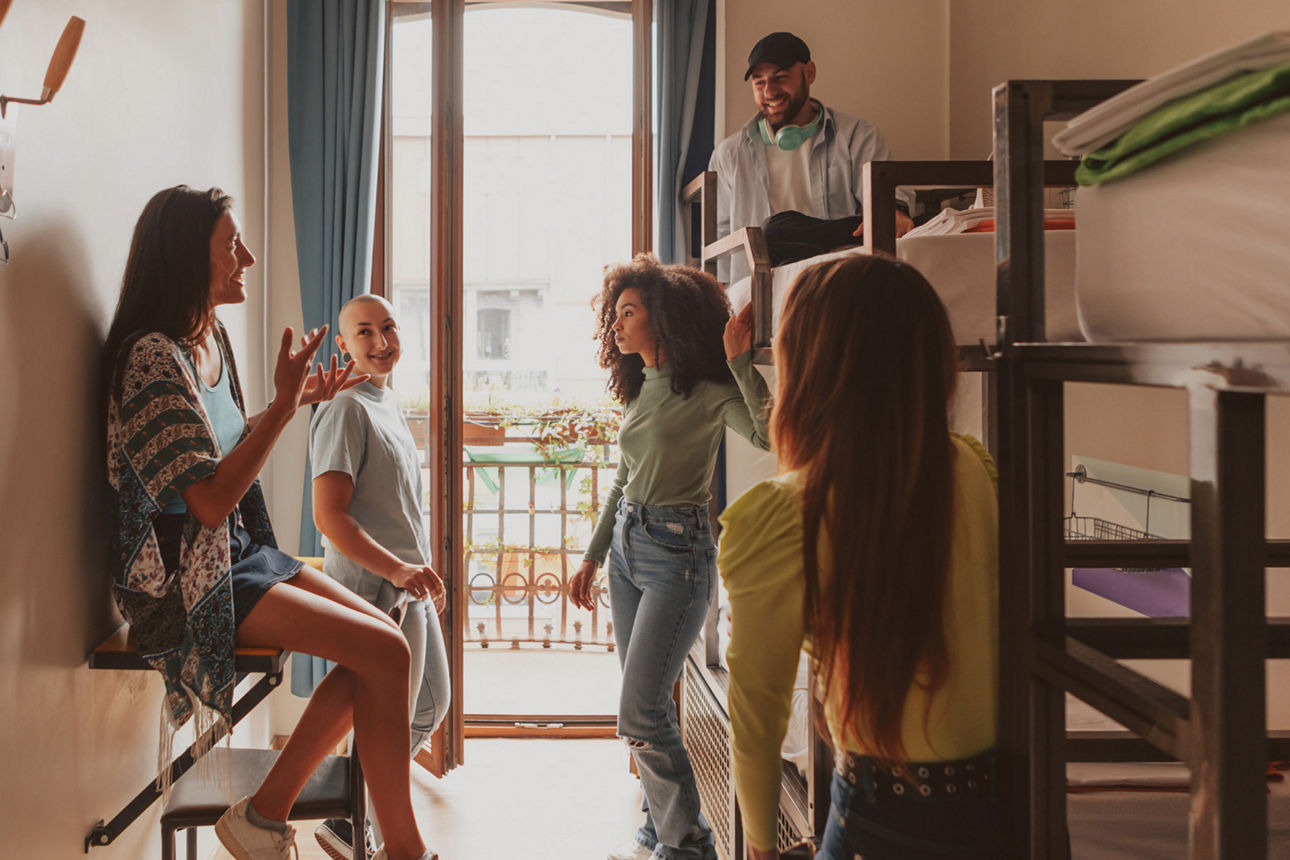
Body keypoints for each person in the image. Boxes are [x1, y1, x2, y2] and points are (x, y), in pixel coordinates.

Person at [103, 185, 438, 860]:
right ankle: (397, 850)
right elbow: (207, 500)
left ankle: (266, 816)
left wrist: (297, 399)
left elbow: (216, 452)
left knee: (386, 642)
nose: (247, 257)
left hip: (233, 553)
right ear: (184, 256)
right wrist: (286, 408)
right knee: (383, 652)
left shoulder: (211, 339)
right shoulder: (151, 358)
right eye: (231, 244)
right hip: (181, 582)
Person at [716, 253, 1000, 860]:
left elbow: (757, 713)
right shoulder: (973, 467)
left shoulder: (783, 511)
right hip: (1003, 806)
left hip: (885, 813)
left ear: (808, 369)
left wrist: (762, 848)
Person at [569, 254, 772, 860]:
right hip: (630, 551)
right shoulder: (640, 387)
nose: (617, 325)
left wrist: (739, 362)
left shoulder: (710, 391)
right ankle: (660, 828)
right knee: (648, 706)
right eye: (615, 314)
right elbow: (622, 479)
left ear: (662, 317)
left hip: (676, 557)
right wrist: (591, 555)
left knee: (639, 713)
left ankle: (687, 847)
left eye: (627, 313)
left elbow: (769, 434)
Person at [309, 293, 451, 860]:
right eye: (364, 332)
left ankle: (350, 812)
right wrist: (396, 569)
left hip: (405, 586)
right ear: (343, 346)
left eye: (388, 327)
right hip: (376, 592)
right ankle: (355, 819)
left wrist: (416, 567)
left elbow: (393, 506)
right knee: (395, 715)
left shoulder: (384, 401)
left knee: (428, 706)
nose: (381, 341)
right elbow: (329, 516)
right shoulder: (345, 408)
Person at [708, 31, 914, 281]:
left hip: (838, 272)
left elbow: (888, 197)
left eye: (780, 78)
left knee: (927, 221)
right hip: (764, 273)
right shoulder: (729, 153)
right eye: (759, 82)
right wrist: (725, 292)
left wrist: (893, 211)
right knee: (772, 232)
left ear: (809, 73)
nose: (769, 91)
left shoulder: (856, 135)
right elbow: (722, 235)